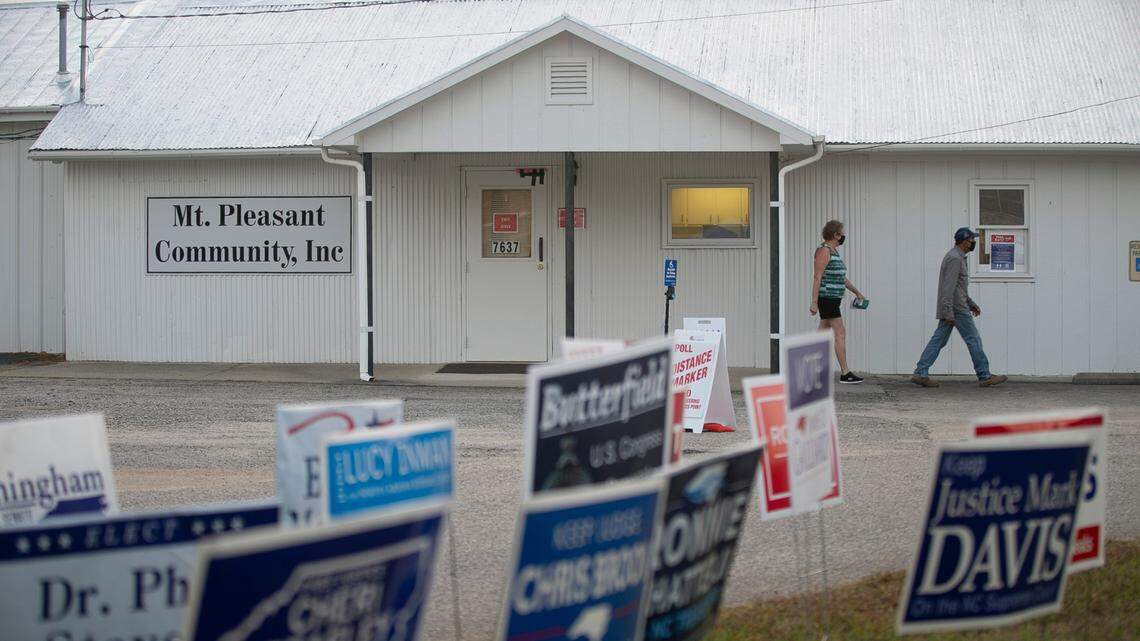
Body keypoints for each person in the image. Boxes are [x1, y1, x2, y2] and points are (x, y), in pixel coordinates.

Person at [911, 227, 1008, 388]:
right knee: (973, 339)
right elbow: (948, 288)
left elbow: (959, 288)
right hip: (956, 308)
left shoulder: (958, 257)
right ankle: (984, 375)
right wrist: (949, 311)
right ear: (964, 241)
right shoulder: (955, 258)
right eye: (971, 240)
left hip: (954, 306)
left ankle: (920, 372)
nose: (973, 243)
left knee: (938, 340)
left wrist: (971, 303)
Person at [809, 220, 866, 384]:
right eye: (841, 233)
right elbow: (817, 276)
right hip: (827, 299)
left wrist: (857, 292)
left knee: (821, 335)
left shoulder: (834, 252)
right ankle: (845, 373)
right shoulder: (824, 251)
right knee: (840, 333)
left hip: (833, 298)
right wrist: (814, 302)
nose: (843, 236)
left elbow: (841, 277)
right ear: (835, 235)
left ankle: (812, 371)